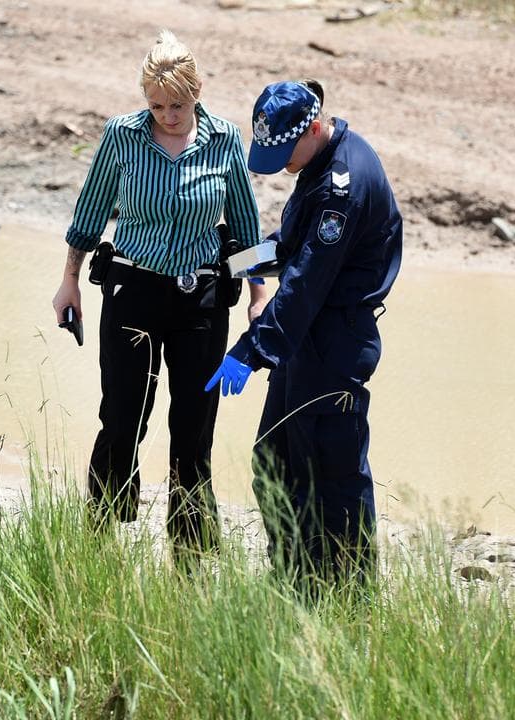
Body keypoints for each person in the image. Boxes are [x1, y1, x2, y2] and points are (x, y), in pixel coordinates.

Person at [51, 31, 267, 564]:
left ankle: (190, 557)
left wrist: (258, 295)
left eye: (177, 104)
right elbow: (90, 211)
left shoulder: (224, 141)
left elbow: (244, 227)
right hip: (134, 292)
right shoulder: (122, 136)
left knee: (193, 431)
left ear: (197, 91)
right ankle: (98, 540)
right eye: (156, 105)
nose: (166, 115)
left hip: (201, 302)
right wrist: (69, 279)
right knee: (123, 418)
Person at [205, 79, 402, 592]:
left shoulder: (344, 186)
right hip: (302, 341)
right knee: (274, 460)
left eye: (284, 153)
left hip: (334, 344)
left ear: (313, 128)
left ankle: (350, 596)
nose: (281, 164)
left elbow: (304, 284)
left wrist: (250, 351)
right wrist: (231, 263)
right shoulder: (316, 164)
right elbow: (286, 246)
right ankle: (294, 580)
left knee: (333, 476)